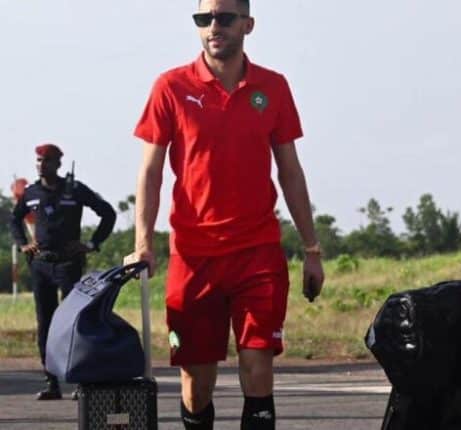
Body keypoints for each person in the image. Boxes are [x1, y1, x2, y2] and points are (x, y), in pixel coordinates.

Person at [124, 0, 325, 428]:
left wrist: (312, 249)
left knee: (258, 365)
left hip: (258, 253)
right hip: (194, 257)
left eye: (224, 18)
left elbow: (290, 171)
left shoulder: (272, 87)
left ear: (248, 25)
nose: (213, 26)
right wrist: (143, 243)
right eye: (204, 18)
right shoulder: (171, 86)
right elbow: (150, 172)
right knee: (196, 384)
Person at [9, 143, 116, 400]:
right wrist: (22, 244)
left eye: (46, 160)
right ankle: (51, 382)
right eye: (38, 160)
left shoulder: (74, 189)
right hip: (41, 264)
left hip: (69, 264)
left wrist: (92, 244)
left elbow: (108, 214)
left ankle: (80, 382)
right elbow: (14, 218)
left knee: (73, 321)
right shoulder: (31, 192)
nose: (41, 165)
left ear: (58, 164)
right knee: (45, 322)